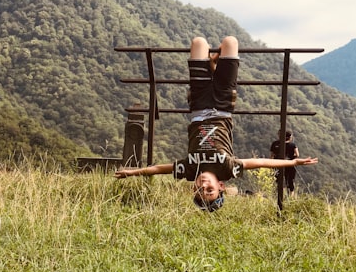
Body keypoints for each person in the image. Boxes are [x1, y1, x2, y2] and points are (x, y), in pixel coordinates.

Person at [114, 36, 318, 212]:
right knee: (230, 42)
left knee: (198, 42)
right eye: (210, 190)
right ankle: (213, 67)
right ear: (220, 186)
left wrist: (132, 173)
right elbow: (261, 163)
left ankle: (212, 67)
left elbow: (158, 169)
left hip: (199, 104)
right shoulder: (227, 169)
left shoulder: (188, 170)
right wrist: (292, 162)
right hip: (222, 105)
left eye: (199, 190)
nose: (204, 186)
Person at [270, 130, 300, 197]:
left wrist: (271, 164)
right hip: (290, 165)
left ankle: (278, 195)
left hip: (277, 164)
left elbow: (271, 156)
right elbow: (297, 154)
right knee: (289, 181)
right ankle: (290, 197)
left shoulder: (275, 144)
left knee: (277, 180)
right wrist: (290, 158)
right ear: (290, 137)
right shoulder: (292, 145)